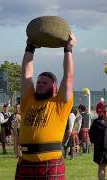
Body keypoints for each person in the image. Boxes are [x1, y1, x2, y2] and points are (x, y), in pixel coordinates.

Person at [15, 32, 76, 179]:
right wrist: (30, 48)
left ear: (54, 86)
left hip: (51, 163)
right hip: (26, 161)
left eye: (44, 83)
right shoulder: (28, 100)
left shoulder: (60, 103)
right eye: (39, 82)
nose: (40, 85)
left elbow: (68, 77)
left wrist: (68, 49)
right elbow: (26, 74)